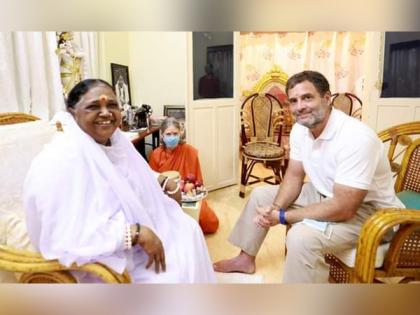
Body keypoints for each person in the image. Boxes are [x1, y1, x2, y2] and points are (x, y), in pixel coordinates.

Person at [213, 70, 404, 282]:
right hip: (325, 193)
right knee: (261, 196)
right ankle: (245, 259)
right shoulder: (300, 130)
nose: (299, 106)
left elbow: (344, 208)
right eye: (293, 101)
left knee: (301, 237)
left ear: (326, 98)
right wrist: (275, 209)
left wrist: (284, 217)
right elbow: (294, 176)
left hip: (369, 214)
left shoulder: (356, 138)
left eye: (307, 97)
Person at [23, 79, 215, 283]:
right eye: (94, 106)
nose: (106, 112)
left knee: (189, 229)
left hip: (141, 229)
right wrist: (134, 233)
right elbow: (64, 234)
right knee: (173, 276)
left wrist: (162, 180)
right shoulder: (61, 158)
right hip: (105, 255)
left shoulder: (116, 139)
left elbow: (134, 171)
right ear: (72, 112)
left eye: (112, 105)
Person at [149, 117, 219, 234]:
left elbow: (197, 181)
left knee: (211, 223)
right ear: (162, 135)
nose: (172, 137)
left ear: (180, 133)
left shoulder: (189, 151)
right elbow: (152, 183)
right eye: (168, 134)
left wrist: (187, 191)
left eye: (175, 133)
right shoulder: (156, 154)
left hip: (188, 195)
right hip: (165, 196)